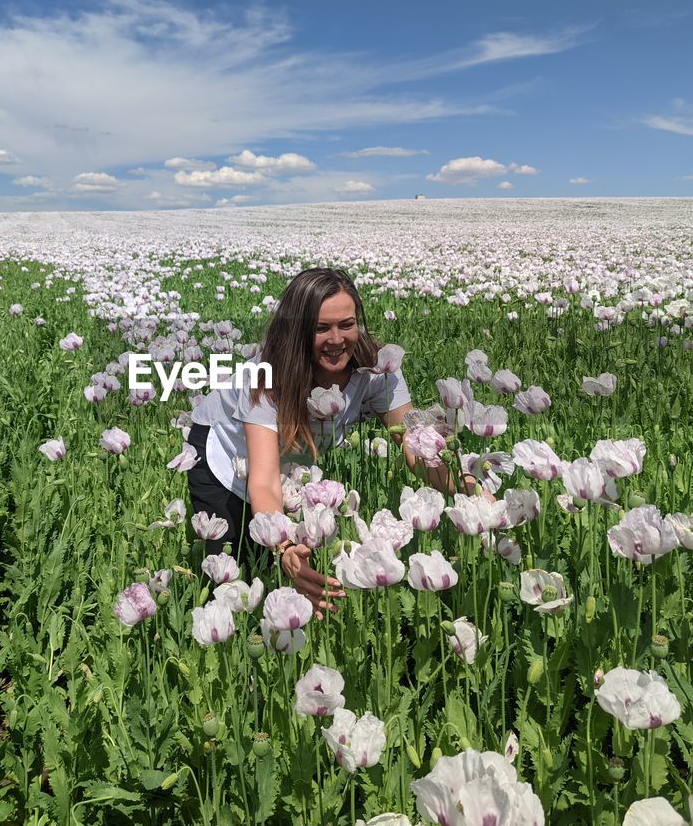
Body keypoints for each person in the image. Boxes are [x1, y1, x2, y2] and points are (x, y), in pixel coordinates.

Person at [184, 266, 477, 620]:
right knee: (237, 572)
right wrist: (285, 545)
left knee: (280, 567)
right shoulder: (264, 376)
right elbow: (261, 479)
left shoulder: (379, 369)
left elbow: (415, 448)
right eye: (321, 328)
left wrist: (468, 491)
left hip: (289, 463)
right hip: (225, 456)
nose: (336, 339)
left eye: (346, 324)